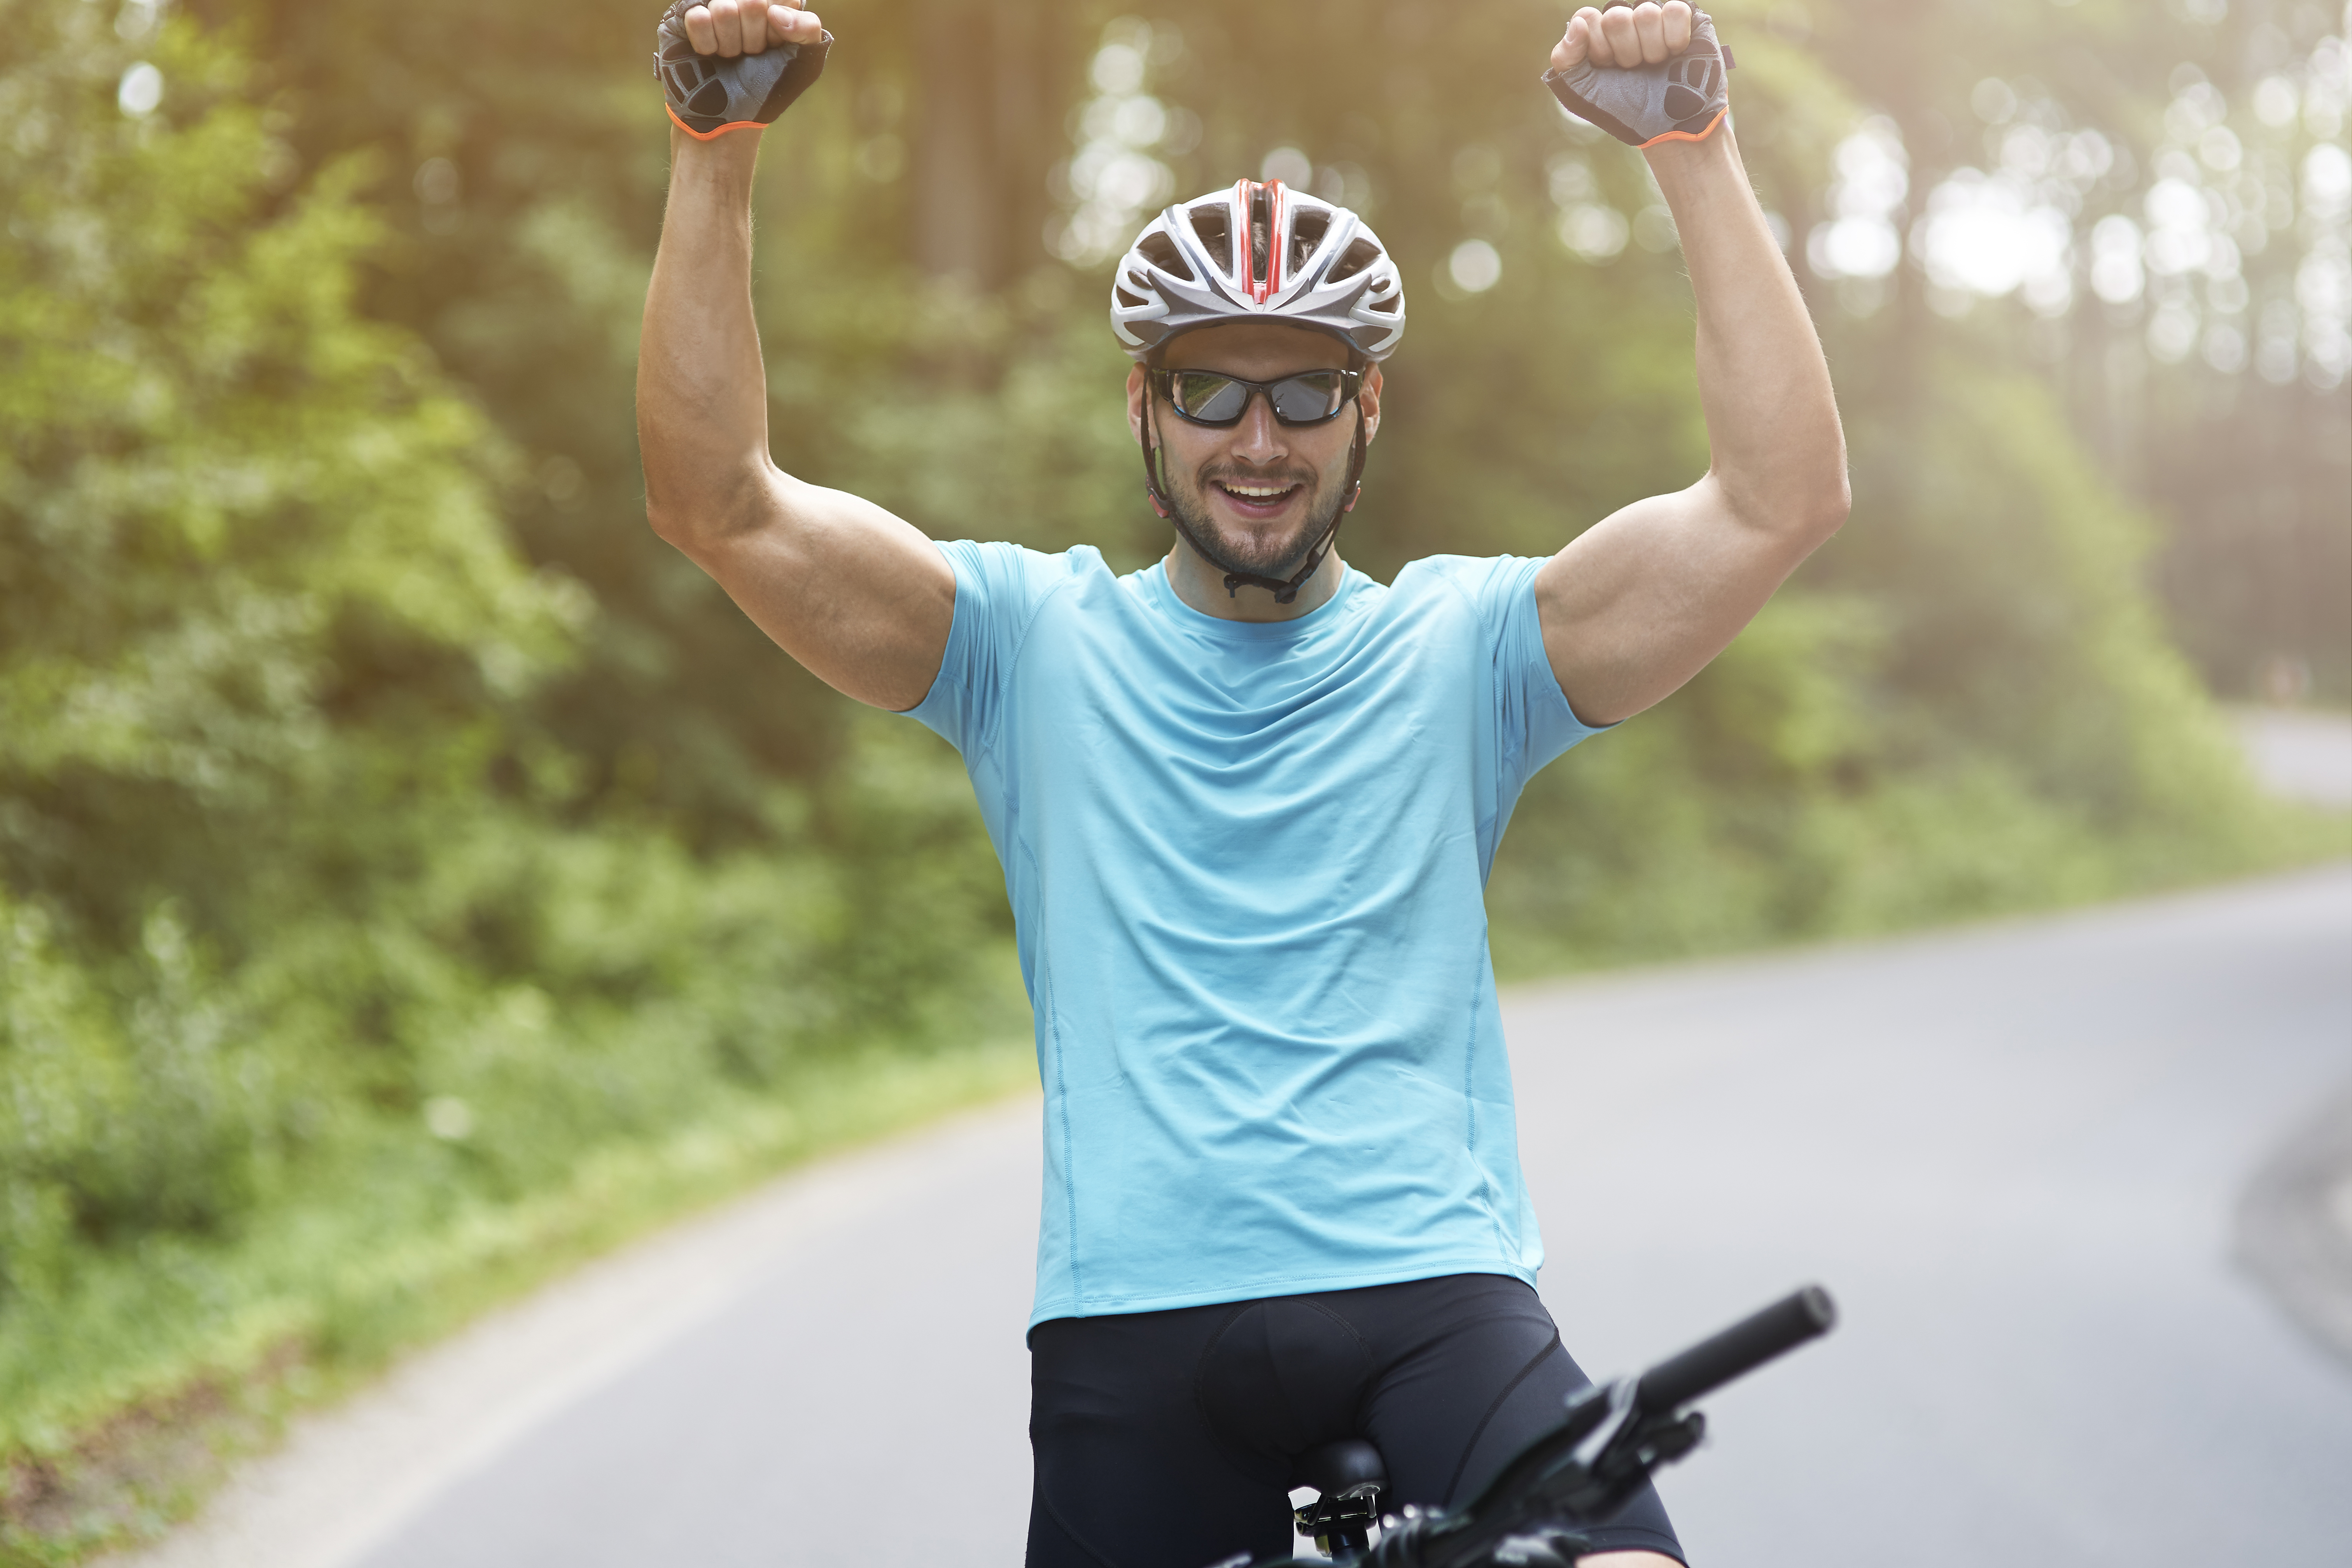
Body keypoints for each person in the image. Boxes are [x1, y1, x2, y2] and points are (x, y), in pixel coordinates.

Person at [637, 2, 1846, 1562]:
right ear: (1143, 408)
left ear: (1369, 410)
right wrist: (711, 148)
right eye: (1211, 389)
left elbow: (1780, 503)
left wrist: (1693, 143)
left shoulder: (1472, 647)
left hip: (1432, 1297)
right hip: (1139, 1318)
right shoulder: (1021, 641)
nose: (1257, 439)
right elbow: (714, 501)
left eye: (1303, 392)